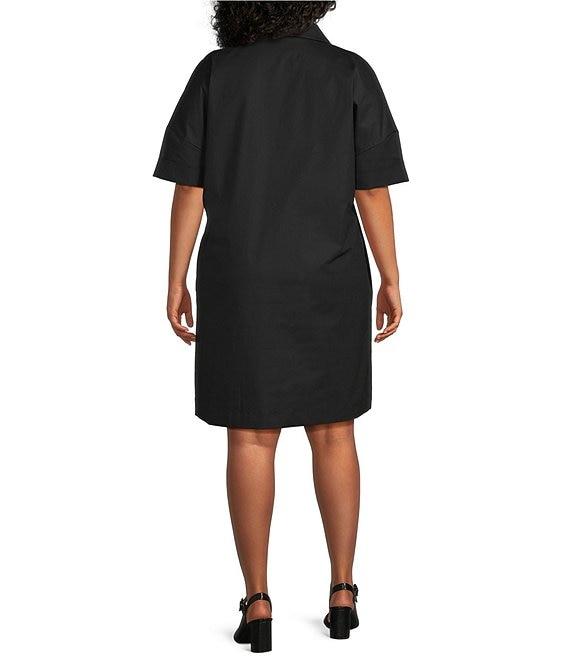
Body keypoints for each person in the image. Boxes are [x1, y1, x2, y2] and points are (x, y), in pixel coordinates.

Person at [153, 1, 408, 652]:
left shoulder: (217, 74)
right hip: (331, 276)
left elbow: (190, 186)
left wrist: (176, 277)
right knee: (335, 431)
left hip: (242, 278)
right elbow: (371, 189)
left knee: (250, 436)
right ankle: (343, 592)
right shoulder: (349, 72)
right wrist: (391, 276)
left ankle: (258, 602)